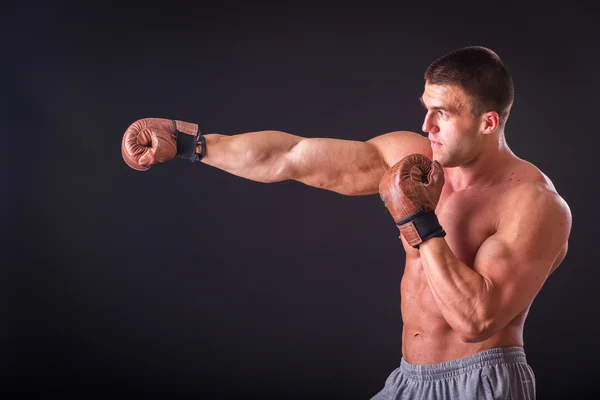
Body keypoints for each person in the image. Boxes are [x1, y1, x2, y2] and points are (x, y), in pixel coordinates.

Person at [121, 46, 572, 399]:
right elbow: (290, 156)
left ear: (488, 122)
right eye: (426, 107)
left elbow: (476, 319)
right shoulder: (410, 155)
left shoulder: (533, 205)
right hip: (409, 379)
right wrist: (188, 144)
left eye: (444, 113)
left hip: (481, 386)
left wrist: (417, 218)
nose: (426, 124)